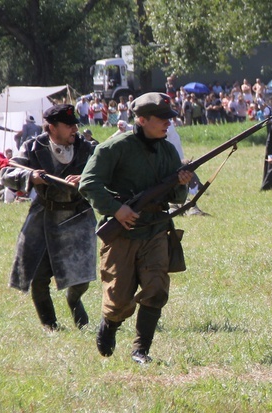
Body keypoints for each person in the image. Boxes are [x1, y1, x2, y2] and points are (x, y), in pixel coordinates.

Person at [79, 92, 193, 364]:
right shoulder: (114, 148)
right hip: (123, 230)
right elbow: (88, 183)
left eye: (169, 118)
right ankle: (110, 323)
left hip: (155, 229)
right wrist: (117, 209)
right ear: (141, 120)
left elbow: (176, 198)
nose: (168, 124)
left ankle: (141, 350)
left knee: (156, 289)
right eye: (162, 119)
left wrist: (182, 182)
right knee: (118, 299)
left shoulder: (167, 150)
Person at [0, 104, 97, 332]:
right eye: (68, 125)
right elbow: (7, 173)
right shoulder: (33, 147)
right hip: (44, 218)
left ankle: (74, 300)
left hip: (78, 217)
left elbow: (107, 170)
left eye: (75, 124)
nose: (75, 129)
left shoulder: (88, 148)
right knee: (38, 277)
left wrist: (86, 178)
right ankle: (50, 325)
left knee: (81, 279)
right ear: (52, 127)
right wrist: (30, 176)